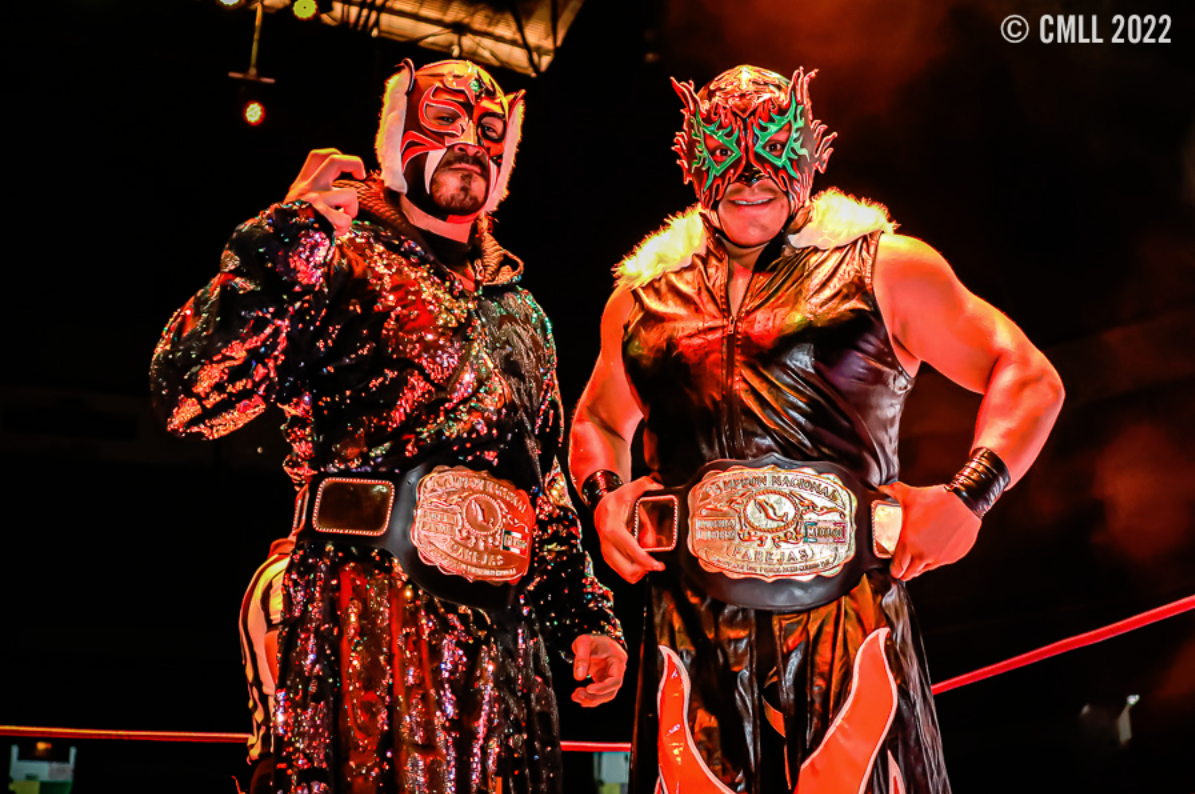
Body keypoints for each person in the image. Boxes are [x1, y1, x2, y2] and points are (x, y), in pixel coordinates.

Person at [568, 65, 1064, 793]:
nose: (748, 175)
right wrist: (605, 495)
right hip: (692, 620)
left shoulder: (884, 266)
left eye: (768, 146)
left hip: (844, 609)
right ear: (691, 158)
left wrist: (969, 496)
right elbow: (597, 417)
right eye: (725, 150)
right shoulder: (642, 297)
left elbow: (1026, 373)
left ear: (809, 151)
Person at [151, 59, 626, 794]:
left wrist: (583, 614)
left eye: (489, 129)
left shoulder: (521, 310)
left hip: (506, 637)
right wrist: (291, 232)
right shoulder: (336, 255)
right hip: (367, 608)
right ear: (397, 132)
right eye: (445, 119)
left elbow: (543, 484)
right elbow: (191, 396)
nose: (469, 142)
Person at [238, 537, 293, 794]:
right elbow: (283, 664)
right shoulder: (287, 572)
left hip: (287, 760)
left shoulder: (281, 569)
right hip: (286, 762)